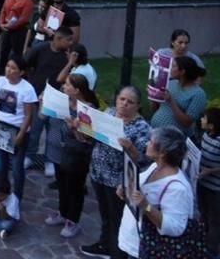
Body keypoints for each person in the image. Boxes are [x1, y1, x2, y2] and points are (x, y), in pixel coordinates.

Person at [81, 86, 152, 259]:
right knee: (105, 215)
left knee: (117, 219)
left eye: (130, 102)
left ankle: (117, 253)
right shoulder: (109, 113)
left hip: (118, 181)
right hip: (98, 173)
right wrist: (80, 129)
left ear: (137, 106)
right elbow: (89, 138)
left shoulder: (142, 127)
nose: (124, 104)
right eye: (122, 99)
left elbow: (144, 161)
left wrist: (130, 148)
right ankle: (104, 244)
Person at [117, 126, 197, 259]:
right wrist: (126, 190)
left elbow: (175, 227)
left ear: (163, 152)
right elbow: (138, 187)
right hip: (133, 241)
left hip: (147, 249)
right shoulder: (155, 166)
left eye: (151, 141)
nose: (147, 143)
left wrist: (146, 206)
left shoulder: (177, 188)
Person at [44, 73, 97, 239]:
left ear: (77, 90)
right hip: (61, 151)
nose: (63, 87)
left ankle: (73, 220)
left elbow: (86, 139)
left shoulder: (87, 109)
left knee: (75, 188)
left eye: (67, 85)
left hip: (77, 155)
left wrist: (75, 128)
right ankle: (63, 212)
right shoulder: (64, 103)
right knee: (62, 185)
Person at [24, 26, 75, 177]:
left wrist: (70, 62)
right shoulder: (40, 49)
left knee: (53, 133)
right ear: (58, 39)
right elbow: (26, 64)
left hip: (57, 100)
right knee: (35, 130)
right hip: (38, 98)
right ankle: (29, 156)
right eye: (68, 40)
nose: (71, 43)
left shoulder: (67, 56)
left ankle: (49, 160)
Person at [0, 56, 37, 201]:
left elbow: (28, 114)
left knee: (16, 167)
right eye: (8, 66)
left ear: (21, 72)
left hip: (16, 128)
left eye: (13, 68)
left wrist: (21, 133)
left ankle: (17, 197)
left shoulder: (27, 89)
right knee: (1, 165)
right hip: (0, 126)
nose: (9, 70)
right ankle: (0, 193)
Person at [149, 55, 208, 137]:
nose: (170, 69)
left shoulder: (198, 94)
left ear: (182, 71)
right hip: (155, 131)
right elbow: (157, 108)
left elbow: (186, 122)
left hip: (173, 138)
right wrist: (153, 95)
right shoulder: (171, 83)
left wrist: (171, 101)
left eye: (173, 66)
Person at [0, 0, 34, 74]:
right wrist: (1, 23)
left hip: (19, 30)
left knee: (17, 52)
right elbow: (3, 10)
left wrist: (11, 26)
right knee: (3, 51)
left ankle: (17, 72)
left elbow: (24, 18)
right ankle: (2, 71)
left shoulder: (27, 0)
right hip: (6, 27)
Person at [199, 108, 220, 258]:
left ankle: (211, 251)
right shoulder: (206, 135)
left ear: (212, 125)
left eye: (204, 118)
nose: (201, 119)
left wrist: (210, 171)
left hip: (215, 188)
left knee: (214, 219)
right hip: (202, 184)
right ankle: (203, 242)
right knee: (204, 214)